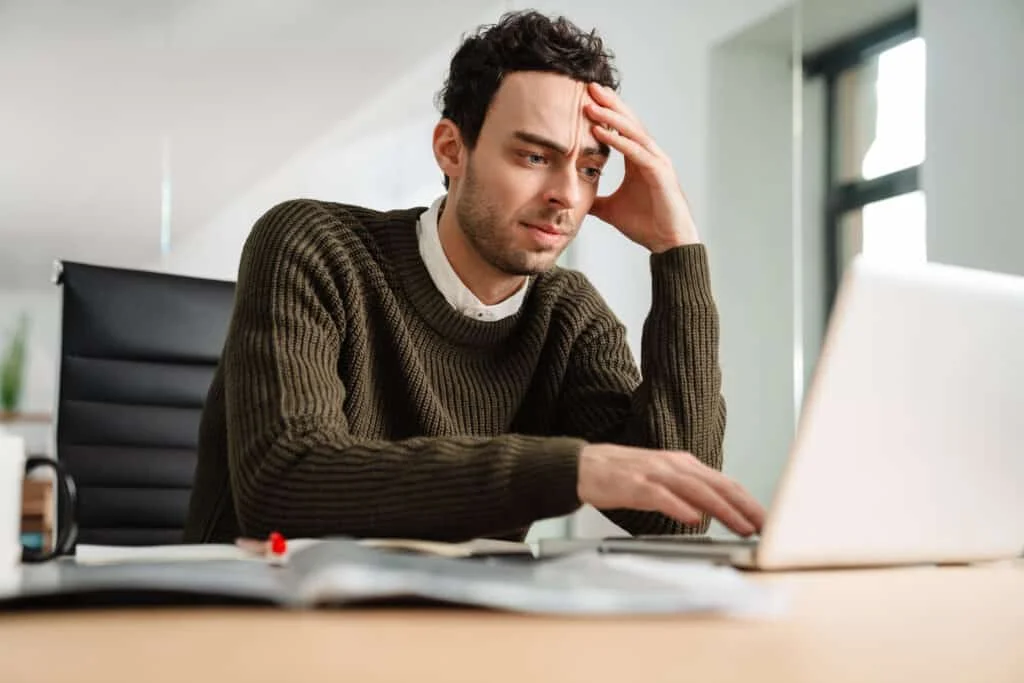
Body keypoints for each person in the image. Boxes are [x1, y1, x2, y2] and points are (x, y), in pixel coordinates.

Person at [183, 10, 765, 544]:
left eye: (589, 168)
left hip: (456, 632)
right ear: (451, 149)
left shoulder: (568, 314)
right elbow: (286, 486)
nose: (566, 195)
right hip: (259, 628)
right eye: (535, 157)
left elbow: (673, 515)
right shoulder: (313, 245)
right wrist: (568, 469)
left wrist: (676, 249)